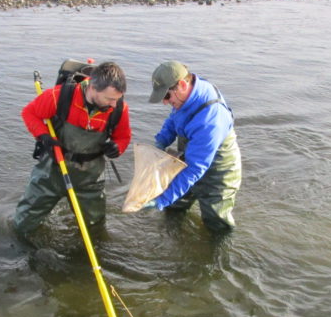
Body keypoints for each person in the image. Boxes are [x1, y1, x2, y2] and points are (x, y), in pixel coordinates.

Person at [14, 61, 131, 236]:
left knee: (95, 228)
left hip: (90, 176)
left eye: (117, 99)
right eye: (109, 99)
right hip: (53, 169)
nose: (114, 104)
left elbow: (123, 136)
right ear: (92, 87)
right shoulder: (59, 96)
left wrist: (117, 147)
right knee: (25, 222)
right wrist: (44, 137)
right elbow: (29, 113)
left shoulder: (119, 109)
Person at [145, 60, 241, 233]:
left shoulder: (211, 119)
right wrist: (161, 140)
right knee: (174, 207)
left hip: (218, 171)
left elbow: (195, 169)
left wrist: (162, 199)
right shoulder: (186, 96)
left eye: (166, 96)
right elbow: (174, 119)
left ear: (182, 84)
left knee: (216, 222)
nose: (165, 103)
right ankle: (174, 237)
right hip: (192, 156)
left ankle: (217, 253)